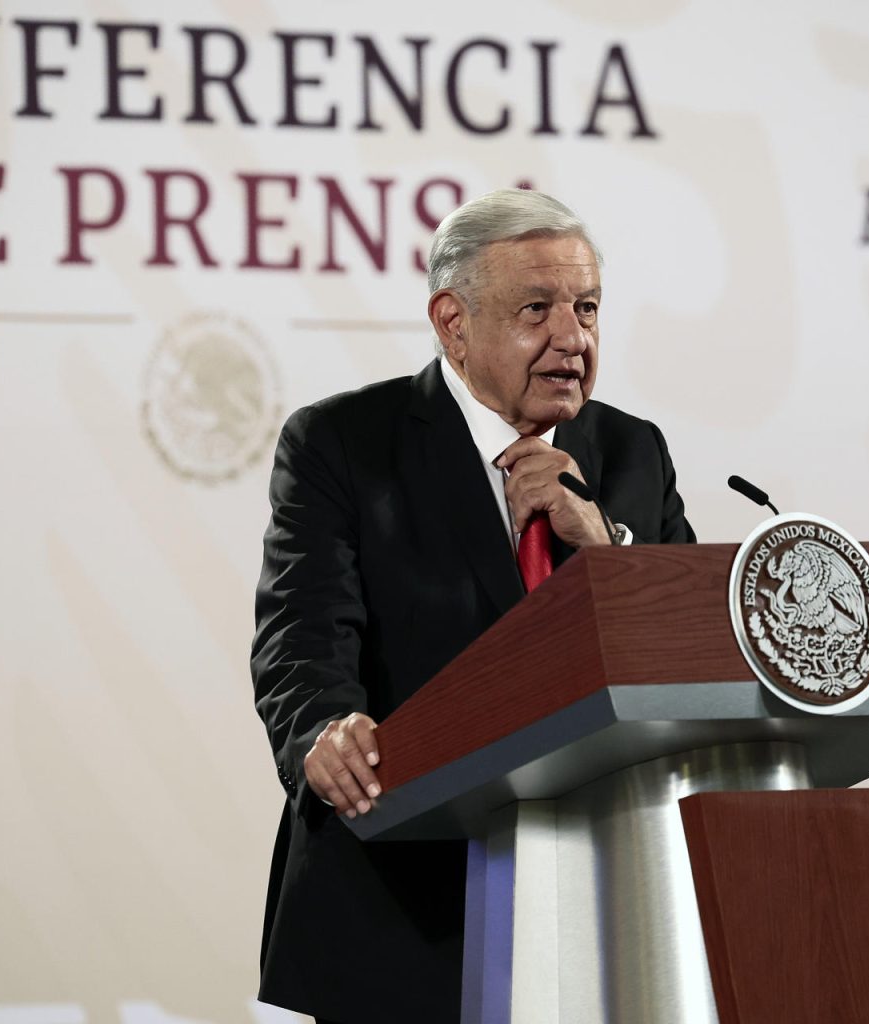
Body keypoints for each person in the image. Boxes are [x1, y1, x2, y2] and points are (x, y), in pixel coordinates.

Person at [250, 189, 695, 1024]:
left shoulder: (632, 450)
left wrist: (603, 546)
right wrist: (321, 730)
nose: (574, 339)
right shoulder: (344, 443)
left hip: (609, 909)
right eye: (539, 310)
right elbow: (301, 637)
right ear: (453, 322)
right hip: (407, 913)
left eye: (588, 308)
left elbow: (690, 642)